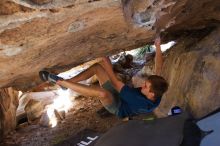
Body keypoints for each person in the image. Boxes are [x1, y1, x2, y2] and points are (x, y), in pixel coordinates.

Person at [39, 37, 168, 118]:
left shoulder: (139, 99)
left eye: (146, 86)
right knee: (97, 68)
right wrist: (157, 46)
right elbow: (159, 69)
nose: (143, 85)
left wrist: (108, 65)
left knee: (102, 93)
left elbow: (115, 83)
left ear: (151, 95)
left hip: (118, 107)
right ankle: (66, 84)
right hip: (122, 96)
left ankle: (61, 82)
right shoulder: (158, 90)